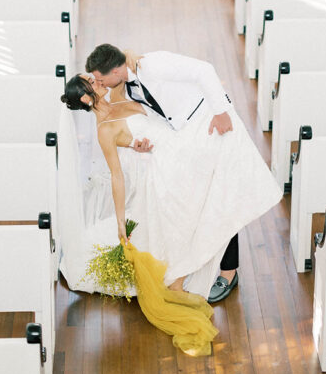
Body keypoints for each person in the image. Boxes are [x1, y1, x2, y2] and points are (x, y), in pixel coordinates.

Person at [62, 45, 282, 305]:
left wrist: (220, 111)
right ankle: (193, 273)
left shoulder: (130, 83)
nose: (97, 82)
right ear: (87, 99)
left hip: (194, 134)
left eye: (97, 78)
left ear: (116, 71)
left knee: (221, 192)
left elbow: (184, 88)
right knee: (210, 199)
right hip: (174, 155)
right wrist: (136, 148)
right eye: (92, 81)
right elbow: (118, 173)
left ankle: (226, 271)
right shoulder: (105, 126)